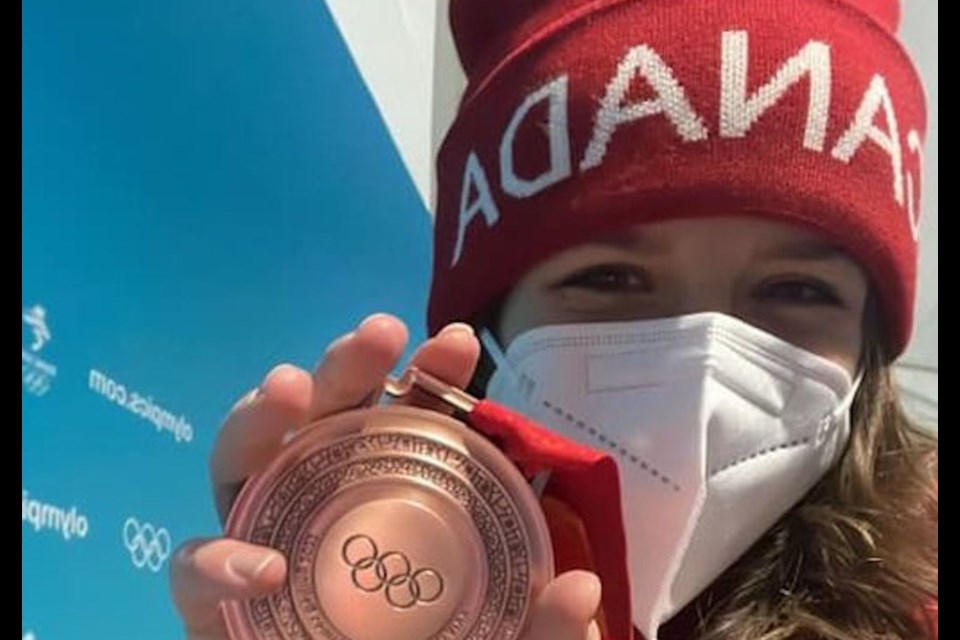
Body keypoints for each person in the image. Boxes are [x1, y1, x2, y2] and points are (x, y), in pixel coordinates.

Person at [170, 0, 938, 638]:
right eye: (610, 277)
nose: (706, 361)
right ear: (486, 332)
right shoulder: (390, 585)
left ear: (869, 344)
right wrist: (314, 592)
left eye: (799, 291)